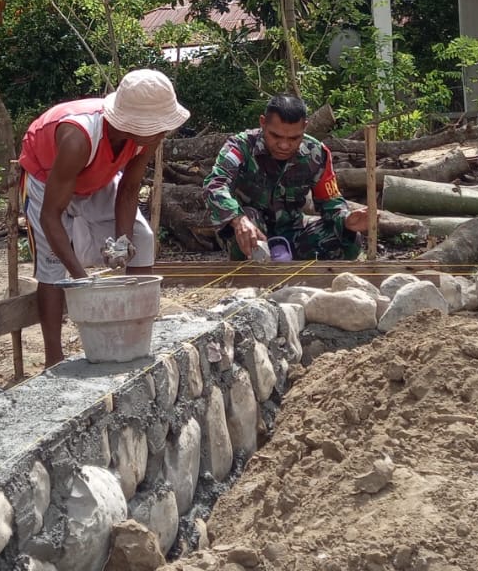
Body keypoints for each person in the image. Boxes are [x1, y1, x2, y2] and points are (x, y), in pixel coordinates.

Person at [19, 69, 190, 366]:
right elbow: (50, 217)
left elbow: (128, 188)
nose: (166, 132)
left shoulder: (146, 138)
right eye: (160, 126)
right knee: (52, 267)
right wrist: (83, 282)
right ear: (136, 123)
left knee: (142, 236)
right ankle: (53, 358)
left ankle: (138, 332)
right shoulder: (78, 139)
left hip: (97, 177)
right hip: (47, 178)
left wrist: (122, 242)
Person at [204, 94, 367, 261]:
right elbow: (215, 184)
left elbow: (330, 201)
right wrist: (238, 220)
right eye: (276, 136)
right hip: (251, 234)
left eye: (294, 138)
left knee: (349, 238)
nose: (284, 145)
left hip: (295, 233)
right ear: (262, 123)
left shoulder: (316, 153)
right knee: (249, 218)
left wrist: (346, 220)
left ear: (305, 127)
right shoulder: (241, 147)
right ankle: (249, 279)